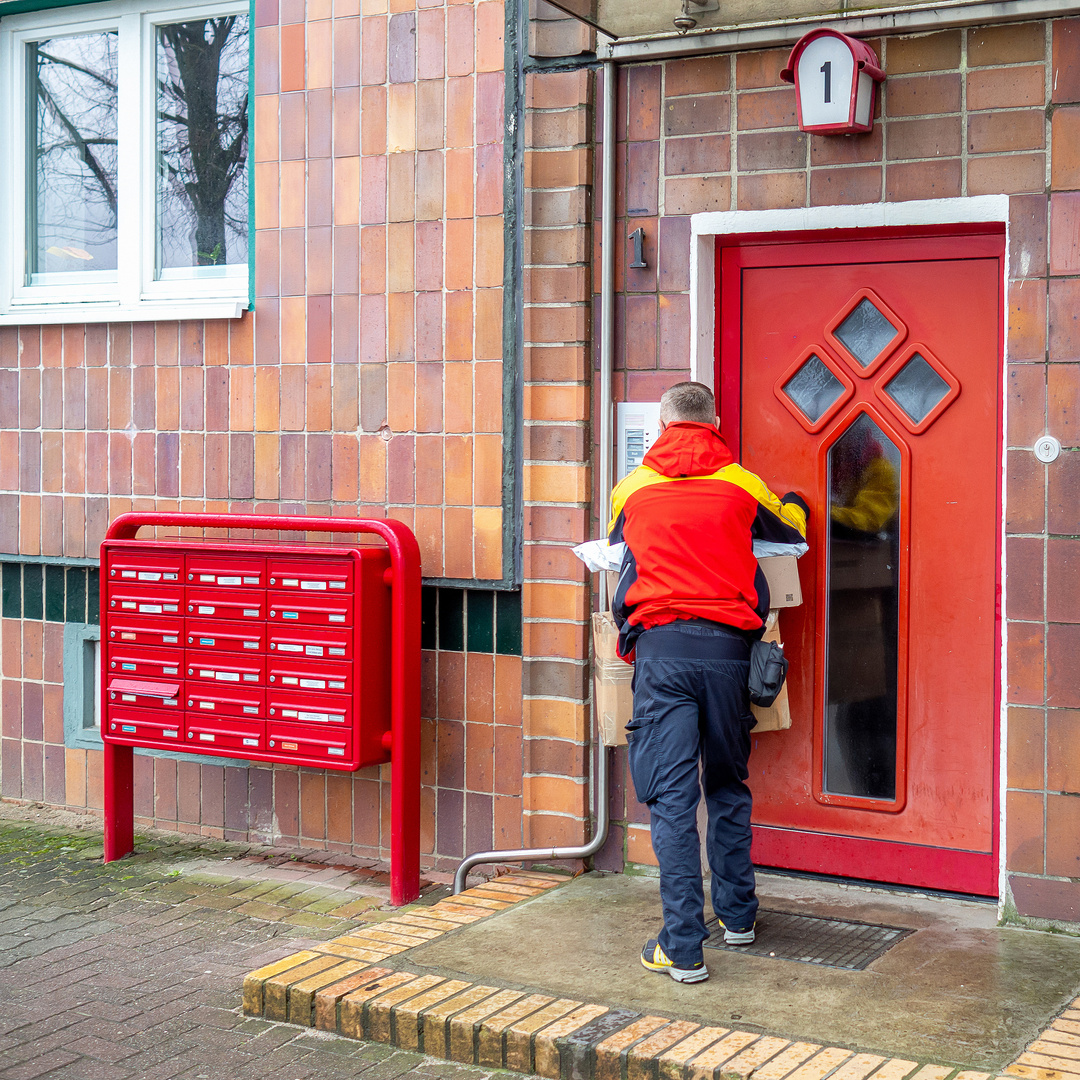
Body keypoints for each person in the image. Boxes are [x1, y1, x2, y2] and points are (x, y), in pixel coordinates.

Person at [608, 381, 808, 983]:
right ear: (714, 421)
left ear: (664, 425)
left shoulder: (634, 487)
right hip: (728, 653)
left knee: (672, 802)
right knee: (726, 782)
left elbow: (620, 546)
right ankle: (740, 917)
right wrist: (795, 501)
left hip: (662, 655)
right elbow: (790, 533)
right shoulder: (741, 481)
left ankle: (683, 947)